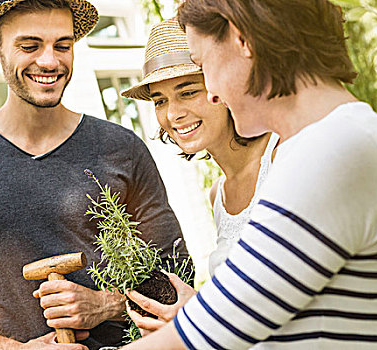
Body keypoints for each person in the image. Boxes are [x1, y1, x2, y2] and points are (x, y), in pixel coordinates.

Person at [122, 0, 377, 349]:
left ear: (242, 40)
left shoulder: (332, 147)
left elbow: (202, 335)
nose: (212, 91)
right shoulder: (336, 138)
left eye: (202, 65)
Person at [0, 1, 189, 349]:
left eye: (63, 46)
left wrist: (104, 305)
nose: (50, 61)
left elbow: (176, 274)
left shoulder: (121, 148)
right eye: (30, 46)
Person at [119, 18, 279, 335]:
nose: (173, 113)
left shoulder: (281, 156)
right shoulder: (218, 195)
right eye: (160, 100)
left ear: (222, 84)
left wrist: (199, 315)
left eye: (188, 91)